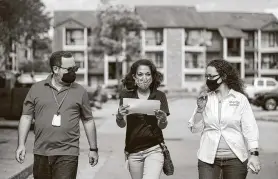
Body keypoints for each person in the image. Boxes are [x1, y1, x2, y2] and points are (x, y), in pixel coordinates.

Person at [15, 51, 99, 179]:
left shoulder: (80, 91)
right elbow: (26, 117)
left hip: (68, 153)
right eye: (69, 69)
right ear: (55, 69)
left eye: (75, 68)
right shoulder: (36, 89)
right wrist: (21, 144)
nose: (73, 72)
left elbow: (88, 120)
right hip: (41, 152)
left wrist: (93, 149)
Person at [188, 59, 261, 179]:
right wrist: (200, 110)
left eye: (211, 76)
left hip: (235, 160)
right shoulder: (205, 98)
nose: (208, 79)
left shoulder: (240, 99)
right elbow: (195, 129)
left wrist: (254, 154)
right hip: (208, 160)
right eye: (206, 76)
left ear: (223, 76)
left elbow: (250, 127)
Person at [116, 59, 170, 179]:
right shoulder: (126, 95)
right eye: (140, 74)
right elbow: (121, 124)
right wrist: (119, 116)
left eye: (147, 74)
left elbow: (162, 125)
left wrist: (163, 119)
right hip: (133, 151)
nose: (144, 78)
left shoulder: (160, 96)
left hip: (154, 149)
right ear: (134, 77)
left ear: (152, 76)